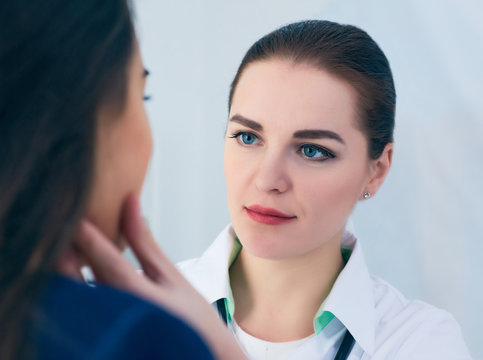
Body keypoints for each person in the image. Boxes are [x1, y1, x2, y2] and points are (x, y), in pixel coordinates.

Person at [177, 20, 473, 359]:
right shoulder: (132, 304)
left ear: (376, 171)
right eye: (248, 137)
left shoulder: (420, 342)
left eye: (312, 150)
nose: (267, 180)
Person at [0, 1, 246, 359]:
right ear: (73, 116)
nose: (270, 180)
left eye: (313, 151)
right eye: (141, 94)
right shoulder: (140, 337)